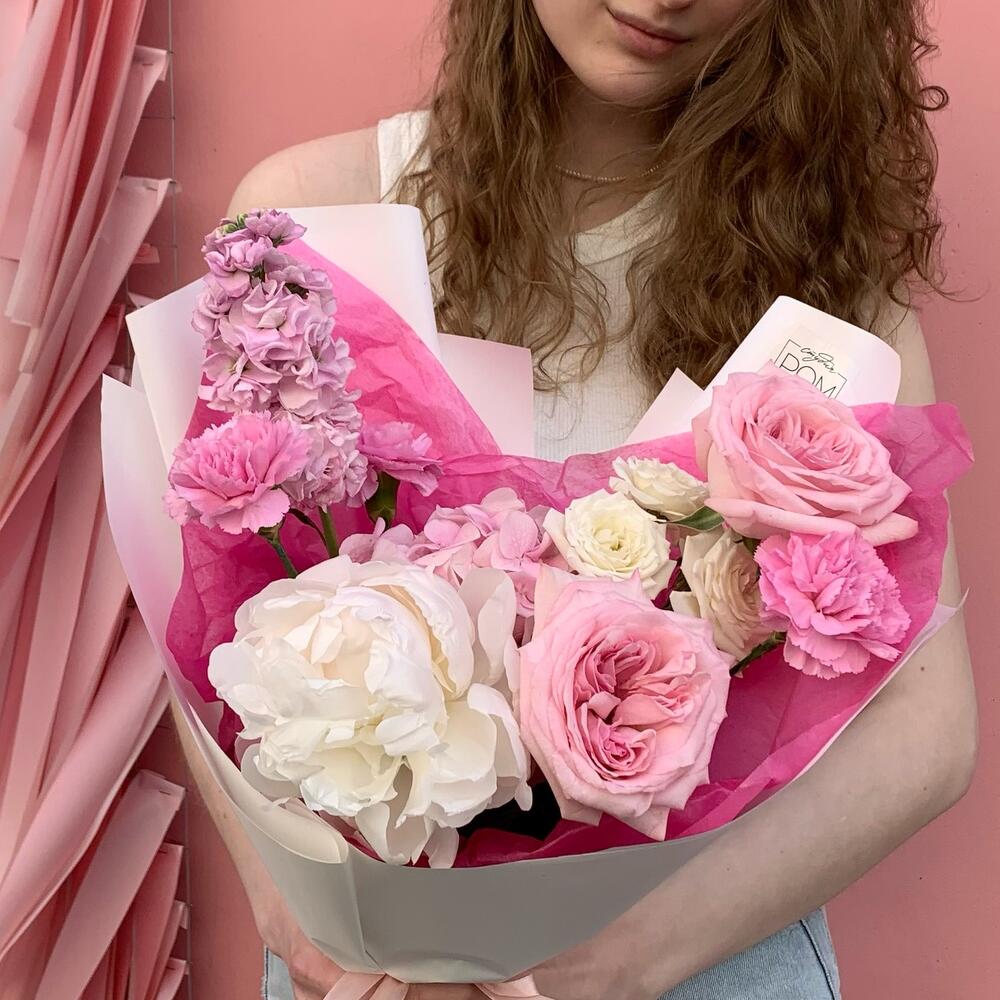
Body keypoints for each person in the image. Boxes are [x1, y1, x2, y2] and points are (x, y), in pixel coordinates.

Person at [174, 2, 978, 998]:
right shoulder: (312, 215)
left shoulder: (825, 286)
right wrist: (294, 919)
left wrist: (629, 957)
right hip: (362, 971)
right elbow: (208, 616)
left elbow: (926, 730)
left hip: (707, 962)